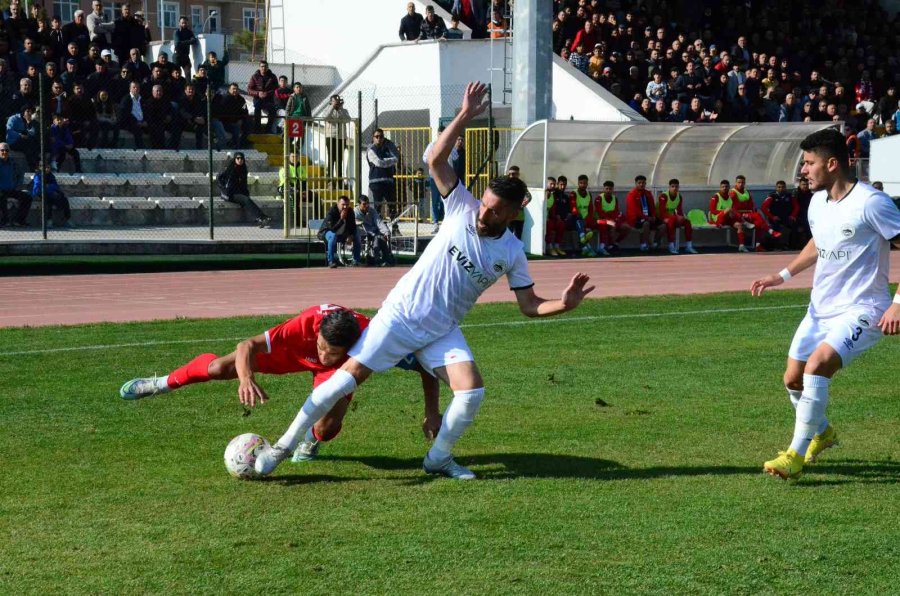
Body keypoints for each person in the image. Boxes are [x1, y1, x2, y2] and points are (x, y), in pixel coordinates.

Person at [253, 82, 595, 480]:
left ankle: (438, 458)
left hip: (441, 330)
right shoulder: (461, 205)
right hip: (400, 316)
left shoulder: (513, 253)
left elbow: (529, 305)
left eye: (494, 211)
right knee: (343, 383)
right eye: (484, 204)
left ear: (515, 212)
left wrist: (564, 304)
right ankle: (282, 447)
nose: (484, 215)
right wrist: (464, 115)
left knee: (471, 391)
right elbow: (435, 158)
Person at [750, 128, 900, 480]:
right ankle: (823, 433)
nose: (803, 170)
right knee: (793, 379)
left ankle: (794, 456)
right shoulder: (818, 201)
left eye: (809, 162)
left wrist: (898, 303)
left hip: (864, 308)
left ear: (832, 164)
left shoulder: (871, 202)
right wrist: (782, 275)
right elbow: (819, 243)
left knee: (816, 366)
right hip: (819, 309)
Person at [118, 304, 443, 463]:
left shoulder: (373, 340)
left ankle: (310, 441)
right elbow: (247, 345)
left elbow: (426, 366)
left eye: (331, 352)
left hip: (342, 373)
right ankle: (161, 383)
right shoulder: (304, 326)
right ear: (316, 333)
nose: (323, 354)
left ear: (351, 347)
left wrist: (431, 411)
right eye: (321, 345)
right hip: (292, 355)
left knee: (327, 429)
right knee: (219, 368)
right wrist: (246, 378)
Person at [216, 152, 272, 227]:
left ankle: (259, 219)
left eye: (241, 158)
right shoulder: (230, 168)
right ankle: (262, 217)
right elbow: (219, 177)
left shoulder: (243, 169)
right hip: (228, 194)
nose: (240, 160)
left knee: (247, 200)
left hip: (237, 192)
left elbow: (243, 184)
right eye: (238, 158)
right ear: (234, 159)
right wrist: (223, 189)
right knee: (246, 200)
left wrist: (245, 193)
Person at [730, 174, 773, 251]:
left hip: (748, 214)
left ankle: (758, 245)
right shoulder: (733, 193)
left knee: (758, 224)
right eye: (739, 182)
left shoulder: (747, 192)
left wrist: (750, 212)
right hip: (738, 216)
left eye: (742, 182)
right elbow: (732, 208)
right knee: (757, 216)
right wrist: (743, 215)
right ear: (735, 183)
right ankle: (769, 230)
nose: (741, 184)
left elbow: (751, 205)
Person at [318, 195, 362, 268]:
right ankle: (331, 261)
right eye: (343, 205)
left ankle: (356, 260)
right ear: (338, 204)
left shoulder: (350, 211)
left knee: (357, 235)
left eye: (347, 205)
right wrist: (341, 219)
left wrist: (350, 235)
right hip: (327, 232)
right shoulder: (332, 211)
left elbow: (353, 226)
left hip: (343, 234)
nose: (345, 207)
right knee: (333, 236)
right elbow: (332, 228)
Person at [367, 127, 399, 224]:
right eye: (376, 136)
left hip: (388, 181)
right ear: (373, 138)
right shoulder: (371, 149)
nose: (379, 139)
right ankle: (377, 228)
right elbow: (378, 162)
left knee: (392, 206)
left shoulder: (388, 147)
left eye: (381, 137)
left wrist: (385, 160)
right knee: (377, 207)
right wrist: (388, 160)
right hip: (376, 182)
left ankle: (394, 227)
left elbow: (396, 158)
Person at [708, 179, 751, 251]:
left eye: (726, 187)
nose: (724, 188)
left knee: (739, 225)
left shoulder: (730, 198)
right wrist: (725, 211)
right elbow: (712, 211)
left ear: (729, 188)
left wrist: (731, 213)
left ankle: (741, 246)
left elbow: (733, 210)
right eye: (723, 187)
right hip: (718, 219)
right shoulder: (716, 197)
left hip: (727, 218)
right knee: (729, 209)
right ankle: (744, 222)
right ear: (720, 188)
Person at [625, 175, 664, 251]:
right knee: (646, 224)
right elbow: (636, 211)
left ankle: (655, 243)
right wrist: (647, 218)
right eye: (639, 183)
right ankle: (643, 244)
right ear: (636, 183)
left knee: (663, 226)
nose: (641, 184)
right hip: (635, 219)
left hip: (648, 217)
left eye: (643, 183)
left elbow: (652, 207)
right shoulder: (631, 194)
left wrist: (653, 216)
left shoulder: (648, 193)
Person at [657, 178, 697, 254]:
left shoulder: (679, 197)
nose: (675, 188)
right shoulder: (663, 196)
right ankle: (671, 246)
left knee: (687, 222)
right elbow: (661, 212)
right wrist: (674, 217)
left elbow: (679, 210)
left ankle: (689, 246)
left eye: (676, 186)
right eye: (672, 186)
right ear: (669, 187)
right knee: (672, 221)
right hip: (661, 217)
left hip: (672, 217)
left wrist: (681, 217)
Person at [355, 194, 396, 266]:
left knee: (382, 238)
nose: (367, 205)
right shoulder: (355, 212)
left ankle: (386, 258)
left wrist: (386, 232)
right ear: (359, 204)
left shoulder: (372, 210)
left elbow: (379, 222)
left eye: (368, 203)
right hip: (362, 232)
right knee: (377, 238)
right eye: (364, 204)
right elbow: (353, 222)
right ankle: (377, 259)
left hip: (373, 231)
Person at [594, 180, 631, 254]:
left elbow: (616, 211)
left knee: (627, 227)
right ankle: (609, 246)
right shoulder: (599, 198)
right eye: (606, 188)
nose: (608, 190)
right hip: (600, 220)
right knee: (612, 225)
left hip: (612, 219)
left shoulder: (615, 198)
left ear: (613, 189)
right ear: (603, 189)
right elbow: (600, 213)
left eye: (610, 189)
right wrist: (610, 219)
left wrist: (613, 219)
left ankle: (615, 243)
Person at [0, 142, 31, 227]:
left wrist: (18, 185)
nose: (4, 152)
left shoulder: (13, 163)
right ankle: (4, 221)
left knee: (27, 197)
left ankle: (19, 220)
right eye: (2, 150)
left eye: (6, 150)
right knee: (1, 198)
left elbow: (20, 175)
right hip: (1, 191)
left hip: (12, 190)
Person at [761, 180, 800, 248]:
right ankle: (776, 246)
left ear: (785, 188)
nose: (781, 189)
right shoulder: (771, 196)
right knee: (776, 228)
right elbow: (763, 207)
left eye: (783, 187)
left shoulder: (790, 196)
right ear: (776, 188)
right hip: (776, 218)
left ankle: (791, 246)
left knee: (795, 226)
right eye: (779, 187)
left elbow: (796, 206)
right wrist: (772, 217)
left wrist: (793, 215)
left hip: (787, 217)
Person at [32, 161, 71, 228]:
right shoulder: (38, 175)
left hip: (51, 193)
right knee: (47, 201)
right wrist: (49, 188)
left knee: (64, 200)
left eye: (48, 167)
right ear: (40, 167)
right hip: (40, 193)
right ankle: (48, 221)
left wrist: (48, 186)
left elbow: (56, 186)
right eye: (45, 167)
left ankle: (67, 219)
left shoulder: (51, 175)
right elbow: (38, 188)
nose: (47, 169)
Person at [211, 83, 248, 149]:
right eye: (233, 89)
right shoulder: (224, 98)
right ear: (229, 90)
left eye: (236, 89)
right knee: (236, 127)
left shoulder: (241, 99)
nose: (235, 90)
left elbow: (245, 110)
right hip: (225, 122)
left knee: (247, 124)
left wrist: (241, 119)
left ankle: (240, 143)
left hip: (237, 120)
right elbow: (221, 112)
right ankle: (236, 146)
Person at [324, 95, 351, 185]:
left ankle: (339, 181)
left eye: (337, 101)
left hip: (341, 137)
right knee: (331, 159)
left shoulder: (343, 110)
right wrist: (332, 106)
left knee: (339, 159)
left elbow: (348, 119)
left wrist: (341, 108)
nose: (336, 102)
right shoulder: (328, 109)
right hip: (330, 136)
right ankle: (330, 181)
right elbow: (326, 117)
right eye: (334, 101)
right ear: (331, 101)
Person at [568, 174, 597, 256]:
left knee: (589, 227)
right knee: (578, 220)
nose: (583, 185)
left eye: (585, 183)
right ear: (578, 183)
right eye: (581, 183)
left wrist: (587, 221)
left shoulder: (589, 194)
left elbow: (591, 210)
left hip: (585, 220)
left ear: (587, 184)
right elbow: (573, 208)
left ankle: (584, 246)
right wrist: (579, 216)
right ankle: (583, 239)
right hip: (575, 219)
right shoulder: (573, 193)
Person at [247, 60, 278, 134]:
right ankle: (257, 128)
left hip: (268, 99)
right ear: (259, 67)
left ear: (267, 67)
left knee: (273, 111)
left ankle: (268, 129)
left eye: (265, 66)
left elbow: (276, 89)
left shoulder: (272, 76)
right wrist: (258, 93)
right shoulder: (254, 76)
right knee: (257, 108)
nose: (263, 68)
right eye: (262, 66)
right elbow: (249, 89)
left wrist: (267, 93)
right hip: (258, 98)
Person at [117, 81, 146, 148]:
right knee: (137, 130)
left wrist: (145, 121)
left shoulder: (142, 99)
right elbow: (124, 114)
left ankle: (158, 148)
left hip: (142, 122)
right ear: (130, 89)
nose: (136, 89)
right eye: (134, 87)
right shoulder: (126, 99)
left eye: (137, 87)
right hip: (130, 123)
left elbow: (146, 112)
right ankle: (141, 148)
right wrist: (136, 122)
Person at [507, 165, 531, 241]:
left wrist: (520, 206)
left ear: (518, 174)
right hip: (508, 215)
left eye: (513, 174)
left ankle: (516, 252)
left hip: (519, 215)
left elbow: (529, 197)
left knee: (518, 238)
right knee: (507, 237)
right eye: (510, 174)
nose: (511, 176)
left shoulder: (522, 185)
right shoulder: (505, 184)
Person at [544, 176, 566, 256]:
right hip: (542, 220)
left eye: (554, 184)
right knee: (549, 224)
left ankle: (557, 246)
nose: (553, 186)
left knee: (561, 224)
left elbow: (552, 210)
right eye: (551, 184)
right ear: (546, 184)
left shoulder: (553, 196)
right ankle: (549, 247)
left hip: (549, 219)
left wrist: (556, 218)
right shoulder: (542, 194)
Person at [172, 16, 198, 80]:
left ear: (187, 23)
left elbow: (194, 40)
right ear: (179, 23)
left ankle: (187, 88)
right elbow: (177, 44)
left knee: (188, 74)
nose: (184, 24)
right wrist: (188, 41)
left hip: (186, 56)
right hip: (177, 56)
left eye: (185, 23)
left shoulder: (189, 32)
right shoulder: (177, 32)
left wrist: (182, 42)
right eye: (182, 23)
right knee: (176, 74)